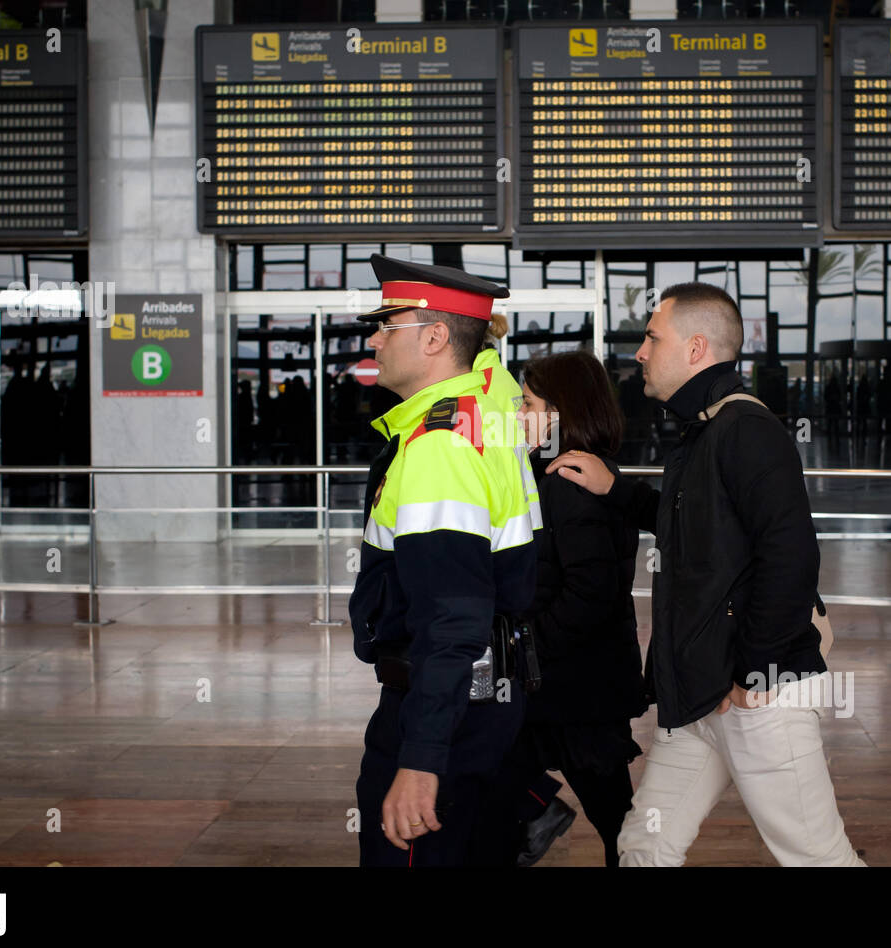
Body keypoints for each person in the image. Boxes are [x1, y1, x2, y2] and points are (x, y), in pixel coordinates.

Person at [546, 282, 864, 867]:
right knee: (645, 843)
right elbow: (690, 536)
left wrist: (751, 673)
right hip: (700, 695)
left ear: (696, 349)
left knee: (818, 858)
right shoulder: (704, 432)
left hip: (756, 698)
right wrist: (616, 489)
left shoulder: (746, 430)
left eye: (652, 337)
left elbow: (790, 556)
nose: (640, 352)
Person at [348, 254, 541, 867]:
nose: (373, 339)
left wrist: (421, 759)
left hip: (443, 706)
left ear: (434, 337)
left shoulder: (439, 449)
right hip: (491, 702)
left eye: (387, 325)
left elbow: (451, 619)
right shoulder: (488, 407)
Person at [477, 350, 645, 867]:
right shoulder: (557, 472)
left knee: (617, 820)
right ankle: (536, 812)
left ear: (560, 411)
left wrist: (525, 648)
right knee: (495, 776)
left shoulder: (570, 482)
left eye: (527, 403)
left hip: (578, 691)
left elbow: (590, 593)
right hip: (563, 686)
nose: (517, 414)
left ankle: (540, 814)